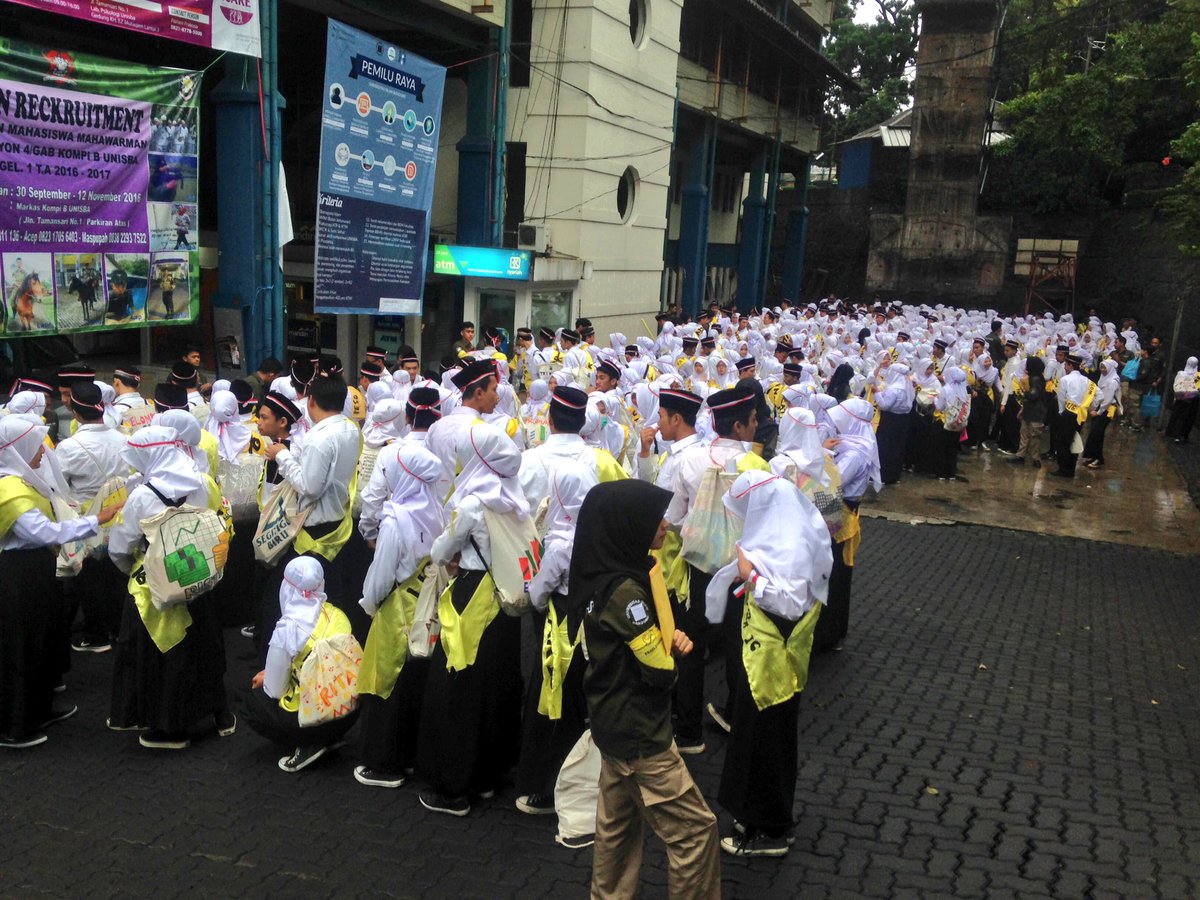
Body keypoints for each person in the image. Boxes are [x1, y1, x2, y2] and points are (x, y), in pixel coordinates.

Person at [569, 479, 720, 899]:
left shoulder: (603, 577)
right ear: (629, 525)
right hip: (642, 735)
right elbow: (659, 671)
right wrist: (670, 652)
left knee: (616, 831)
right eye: (655, 517)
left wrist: (663, 644)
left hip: (611, 724)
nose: (666, 525)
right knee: (696, 831)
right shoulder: (627, 592)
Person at [706, 470, 832, 857]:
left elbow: (790, 603)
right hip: (759, 656)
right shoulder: (778, 534)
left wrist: (750, 576)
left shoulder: (790, 546)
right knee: (757, 737)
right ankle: (759, 817)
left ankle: (769, 830)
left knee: (767, 740)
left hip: (773, 664)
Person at [418, 424, 528, 816]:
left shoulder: (472, 502)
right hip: (505, 599)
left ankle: (453, 787)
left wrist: (445, 552)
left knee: (458, 687)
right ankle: (486, 777)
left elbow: (440, 549)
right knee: (496, 685)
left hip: (472, 597)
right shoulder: (515, 497)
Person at [106, 425, 235, 748]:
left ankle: (170, 726)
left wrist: (132, 569)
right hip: (198, 575)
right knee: (203, 642)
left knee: (165, 651)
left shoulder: (141, 495)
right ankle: (219, 713)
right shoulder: (201, 483)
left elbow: (120, 546)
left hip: (157, 583)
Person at [1, 417, 118, 748]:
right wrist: (96, 520)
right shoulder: (8, 489)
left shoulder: (22, 479)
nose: (42, 453)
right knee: (22, 647)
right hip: (18, 575)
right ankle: (15, 725)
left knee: (40, 642)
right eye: (36, 446)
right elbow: (43, 532)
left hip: (35, 569)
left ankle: (38, 710)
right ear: (18, 449)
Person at [354, 443, 447, 788]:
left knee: (385, 683)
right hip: (426, 606)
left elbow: (381, 575)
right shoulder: (436, 510)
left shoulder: (395, 520)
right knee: (414, 682)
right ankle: (409, 756)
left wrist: (368, 603)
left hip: (396, 608)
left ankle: (383, 763)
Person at [514, 461, 598, 816]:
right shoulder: (597, 532)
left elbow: (537, 594)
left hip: (560, 626)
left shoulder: (561, 541)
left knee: (551, 702)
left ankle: (547, 785)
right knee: (580, 702)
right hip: (589, 624)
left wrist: (532, 583)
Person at [261, 376, 363, 648]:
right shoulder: (351, 428)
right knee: (333, 595)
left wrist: (282, 455)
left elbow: (309, 487)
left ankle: (297, 651)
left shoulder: (318, 438)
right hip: (339, 520)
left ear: (311, 401)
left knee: (299, 597)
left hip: (317, 530)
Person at [245, 556, 360, 772]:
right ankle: (331, 736)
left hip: (310, 717)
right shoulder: (337, 614)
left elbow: (274, 689)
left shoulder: (287, 629)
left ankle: (307, 743)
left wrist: (268, 675)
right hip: (347, 709)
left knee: (252, 699)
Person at [54, 381, 129, 653]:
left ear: (74, 412)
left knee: (90, 577)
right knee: (119, 572)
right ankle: (121, 629)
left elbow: (60, 486)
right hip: (121, 515)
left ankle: (96, 635)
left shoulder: (69, 447)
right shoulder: (123, 438)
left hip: (89, 519)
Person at [1051, 355, 1094, 478]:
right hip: (1080, 414)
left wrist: (1061, 413)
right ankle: (1071, 469)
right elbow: (1099, 396)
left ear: (1070, 365)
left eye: (1065, 364)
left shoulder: (1065, 379)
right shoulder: (1087, 381)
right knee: (1074, 440)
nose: (1064, 367)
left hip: (1068, 413)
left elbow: (1061, 398)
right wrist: (1088, 406)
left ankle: (1063, 469)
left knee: (1063, 442)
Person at [1081, 359, 1121, 468]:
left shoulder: (1112, 381)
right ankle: (1093, 456)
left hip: (1106, 410)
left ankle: (1098, 458)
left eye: (1105, 367)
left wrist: (1098, 412)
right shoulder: (1104, 378)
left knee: (1097, 433)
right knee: (1095, 433)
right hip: (1100, 408)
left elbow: (1107, 400)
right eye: (1101, 367)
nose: (1103, 370)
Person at [1166, 356, 1199, 444]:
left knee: (1176, 415)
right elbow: (1198, 389)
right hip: (1191, 402)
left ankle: (1170, 432)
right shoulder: (1197, 376)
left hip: (1180, 399)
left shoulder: (1181, 374)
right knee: (1186, 418)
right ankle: (1181, 435)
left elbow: (1175, 386)